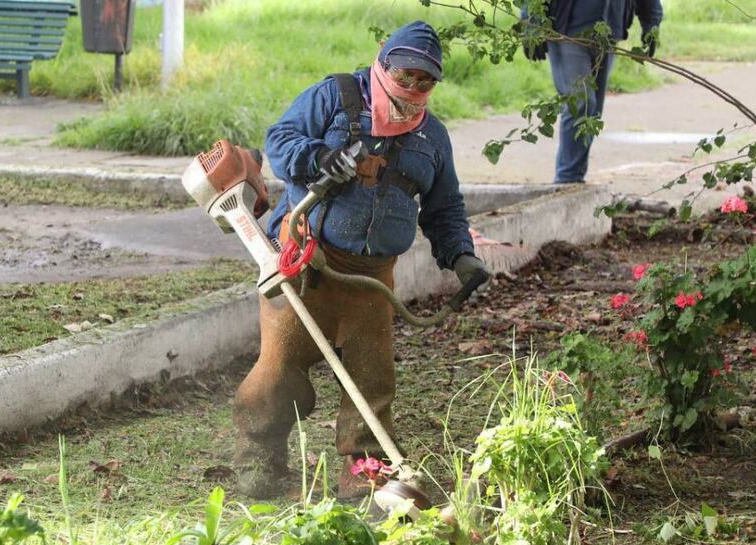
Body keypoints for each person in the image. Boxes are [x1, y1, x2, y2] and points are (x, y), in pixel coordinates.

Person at [232, 20, 489, 499]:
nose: (412, 88)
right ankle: (259, 462)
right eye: (404, 75)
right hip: (306, 260)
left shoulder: (431, 138)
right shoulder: (335, 97)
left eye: (424, 81)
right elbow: (280, 140)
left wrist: (461, 257)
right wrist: (317, 158)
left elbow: (445, 207)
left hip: (373, 278)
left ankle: (365, 477)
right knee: (280, 368)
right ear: (384, 62)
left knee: (372, 378)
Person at [524, 0, 664, 183]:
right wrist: (531, 23)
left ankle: (574, 177)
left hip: (608, 33)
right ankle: (567, 178)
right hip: (567, 30)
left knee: (593, 112)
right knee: (581, 102)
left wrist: (651, 24)